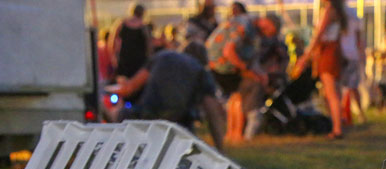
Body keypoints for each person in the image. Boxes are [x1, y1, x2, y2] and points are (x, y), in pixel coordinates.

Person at [107, 42, 225, 153]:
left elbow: (130, 88)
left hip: (147, 116)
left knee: (116, 113)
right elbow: (212, 112)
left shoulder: (163, 56)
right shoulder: (201, 71)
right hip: (180, 124)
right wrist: (220, 148)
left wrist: (107, 91)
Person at [206, 8, 280, 143]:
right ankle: (237, 134)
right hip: (221, 64)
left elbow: (251, 57)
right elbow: (229, 51)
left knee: (235, 97)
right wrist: (247, 70)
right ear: (266, 22)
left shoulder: (251, 28)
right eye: (271, 30)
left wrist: (259, 73)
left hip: (220, 64)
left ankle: (232, 134)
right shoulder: (246, 26)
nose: (269, 35)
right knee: (239, 96)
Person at [294, 0, 348, 139]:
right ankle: (336, 125)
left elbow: (318, 35)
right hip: (333, 51)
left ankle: (337, 128)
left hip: (328, 51)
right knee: (331, 91)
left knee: (331, 92)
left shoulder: (329, 10)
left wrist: (305, 57)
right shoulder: (338, 10)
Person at [340, 5, 367, 125]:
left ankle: (343, 115)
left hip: (340, 54)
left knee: (340, 87)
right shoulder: (353, 13)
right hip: (352, 54)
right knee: (353, 86)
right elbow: (359, 37)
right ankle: (359, 113)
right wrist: (361, 54)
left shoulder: (337, 12)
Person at [112, 3, 152, 81]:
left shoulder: (122, 24)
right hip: (139, 62)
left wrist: (114, 56)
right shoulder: (143, 27)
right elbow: (149, 46)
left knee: (123, 85)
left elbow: (113, 41)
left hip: (124, 61)